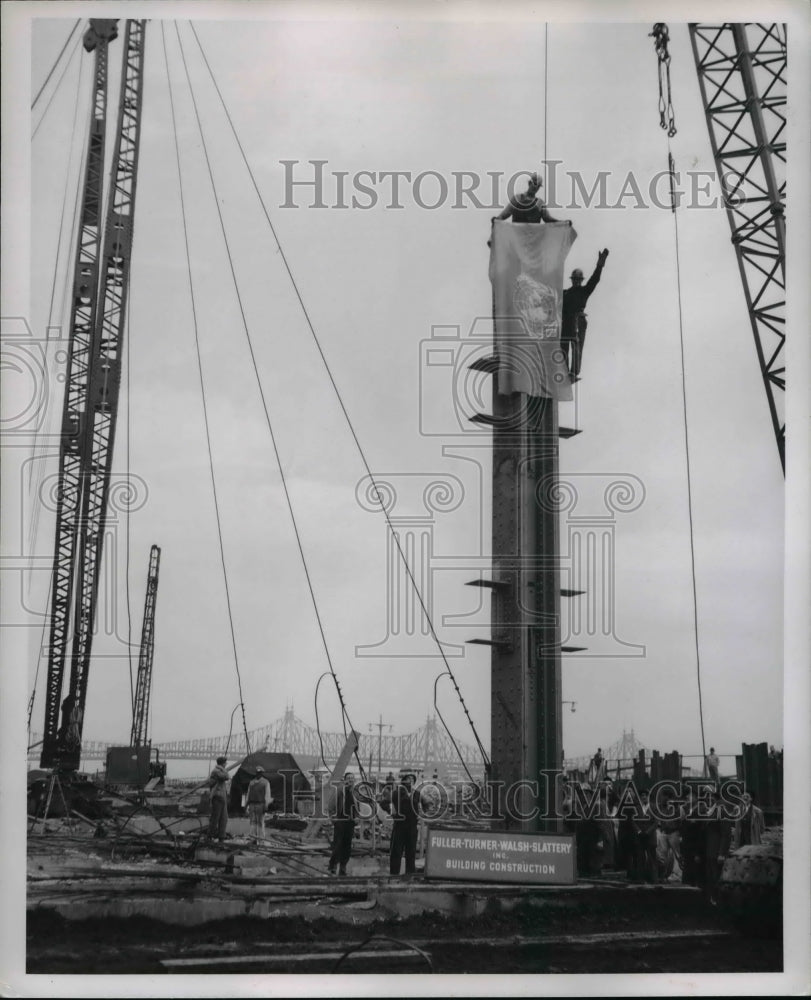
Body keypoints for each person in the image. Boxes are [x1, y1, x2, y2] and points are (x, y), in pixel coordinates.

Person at [561, 250, 609, 380]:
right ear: (572, 280)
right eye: (575, 279)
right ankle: (563, 371)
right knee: (563, 344)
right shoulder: (565, 293)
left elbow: (594, 280)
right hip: (566, 321)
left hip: (578, 320)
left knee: (577, 346)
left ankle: (574, 372)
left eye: (578, 280)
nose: (576, 281)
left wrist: (600, 265)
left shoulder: (584, 291)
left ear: (581, 281)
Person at [390, 773, 420, 877]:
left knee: (411, 852)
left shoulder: (417, 793)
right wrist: (392, 812)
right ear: (403, 781)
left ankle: (410, 874)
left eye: (412, 779)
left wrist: (422, 814)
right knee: (396, 852)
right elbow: (386, 802)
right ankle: (394, 875)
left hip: (412, 826)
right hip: (399, 826)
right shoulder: (396, 792)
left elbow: (426, 804)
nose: (410, 781)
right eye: (408, 779)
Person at [328, 772, 357, 876]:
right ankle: (333, 866)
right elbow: (331, 805)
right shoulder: (340, 791)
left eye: (352, 778)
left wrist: (356, 818)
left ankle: (343, 868)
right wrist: (333, 819)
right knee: (338, 844)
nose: (350, 780)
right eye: (348, 778)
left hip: (350, 823)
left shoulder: (355, 793)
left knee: (347, 846)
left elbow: (358, 807)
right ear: (345, 780)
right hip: (340, 821)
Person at [246, 765, 271, 843]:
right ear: (256, 773)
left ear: (262, 773)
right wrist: (246, 805)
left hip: (261, 804)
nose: (258, 774)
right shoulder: (251, 782)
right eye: (257, 773)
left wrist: (266, 805)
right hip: (252, 805)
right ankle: (252, 838)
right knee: (252, 822)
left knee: (260, 822)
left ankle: (260, 840)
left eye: (260, 773)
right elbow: (248, 793)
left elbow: (267, 795)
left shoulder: (265, 782)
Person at [208, 755, 230, 843]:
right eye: (225, 763)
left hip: (222, 798)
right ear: (222, 763)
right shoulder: (216, 771)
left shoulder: (219, 770)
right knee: (215, 818)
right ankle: (210, 836)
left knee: (224, 818)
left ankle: (221, 837)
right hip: (217, 797)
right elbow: (226, 777)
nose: (226, 764)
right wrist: (223, 769)